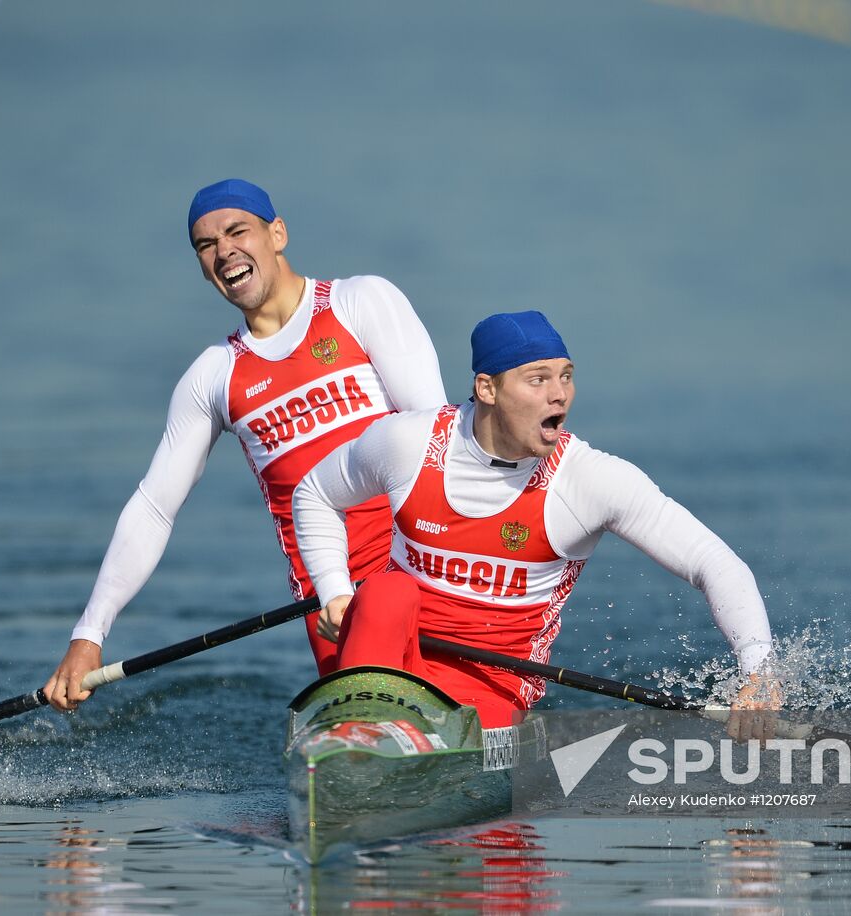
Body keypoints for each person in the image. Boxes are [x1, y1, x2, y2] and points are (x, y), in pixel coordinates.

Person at [43, 179, 446, 711]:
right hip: (331, 601)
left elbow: (436, 439)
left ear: (276, 234)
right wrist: (87, 637)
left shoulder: (359, 302)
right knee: (375, 724)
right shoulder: (214, 376)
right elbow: (154, 508)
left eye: (238, 231)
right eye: (206, 245)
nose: (224, 251)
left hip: (422, 574)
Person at [292, 310, 780, 740]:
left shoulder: (589, 481)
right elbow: (313, 492)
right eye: (538, 379)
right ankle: (351, 739)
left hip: (490, 684)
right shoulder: (407, 443)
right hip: (393, 658)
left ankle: (366, 745)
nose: (559, 396)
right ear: (487, 388)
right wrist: (335, 590)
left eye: (566, 377)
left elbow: (715, 563)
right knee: (381, 593)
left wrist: (758, 673)